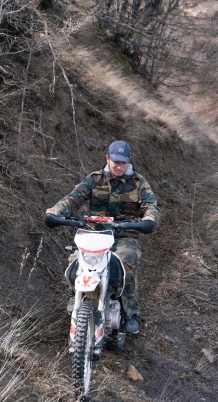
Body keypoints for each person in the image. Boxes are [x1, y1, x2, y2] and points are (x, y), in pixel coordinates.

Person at [46, 140, 160, 334]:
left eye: (123, 162)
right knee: (75, 262)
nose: (119, 166)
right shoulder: (94, 180)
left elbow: (151, 206)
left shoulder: (139, 183)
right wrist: (57, 210)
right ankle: (75, 296)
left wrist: (150, 218)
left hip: (124, 235)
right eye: (115, 161)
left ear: (128, 161)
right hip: (94, 234)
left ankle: (130, 312)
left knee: (124, 262)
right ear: (107, 158)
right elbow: (73, 199)